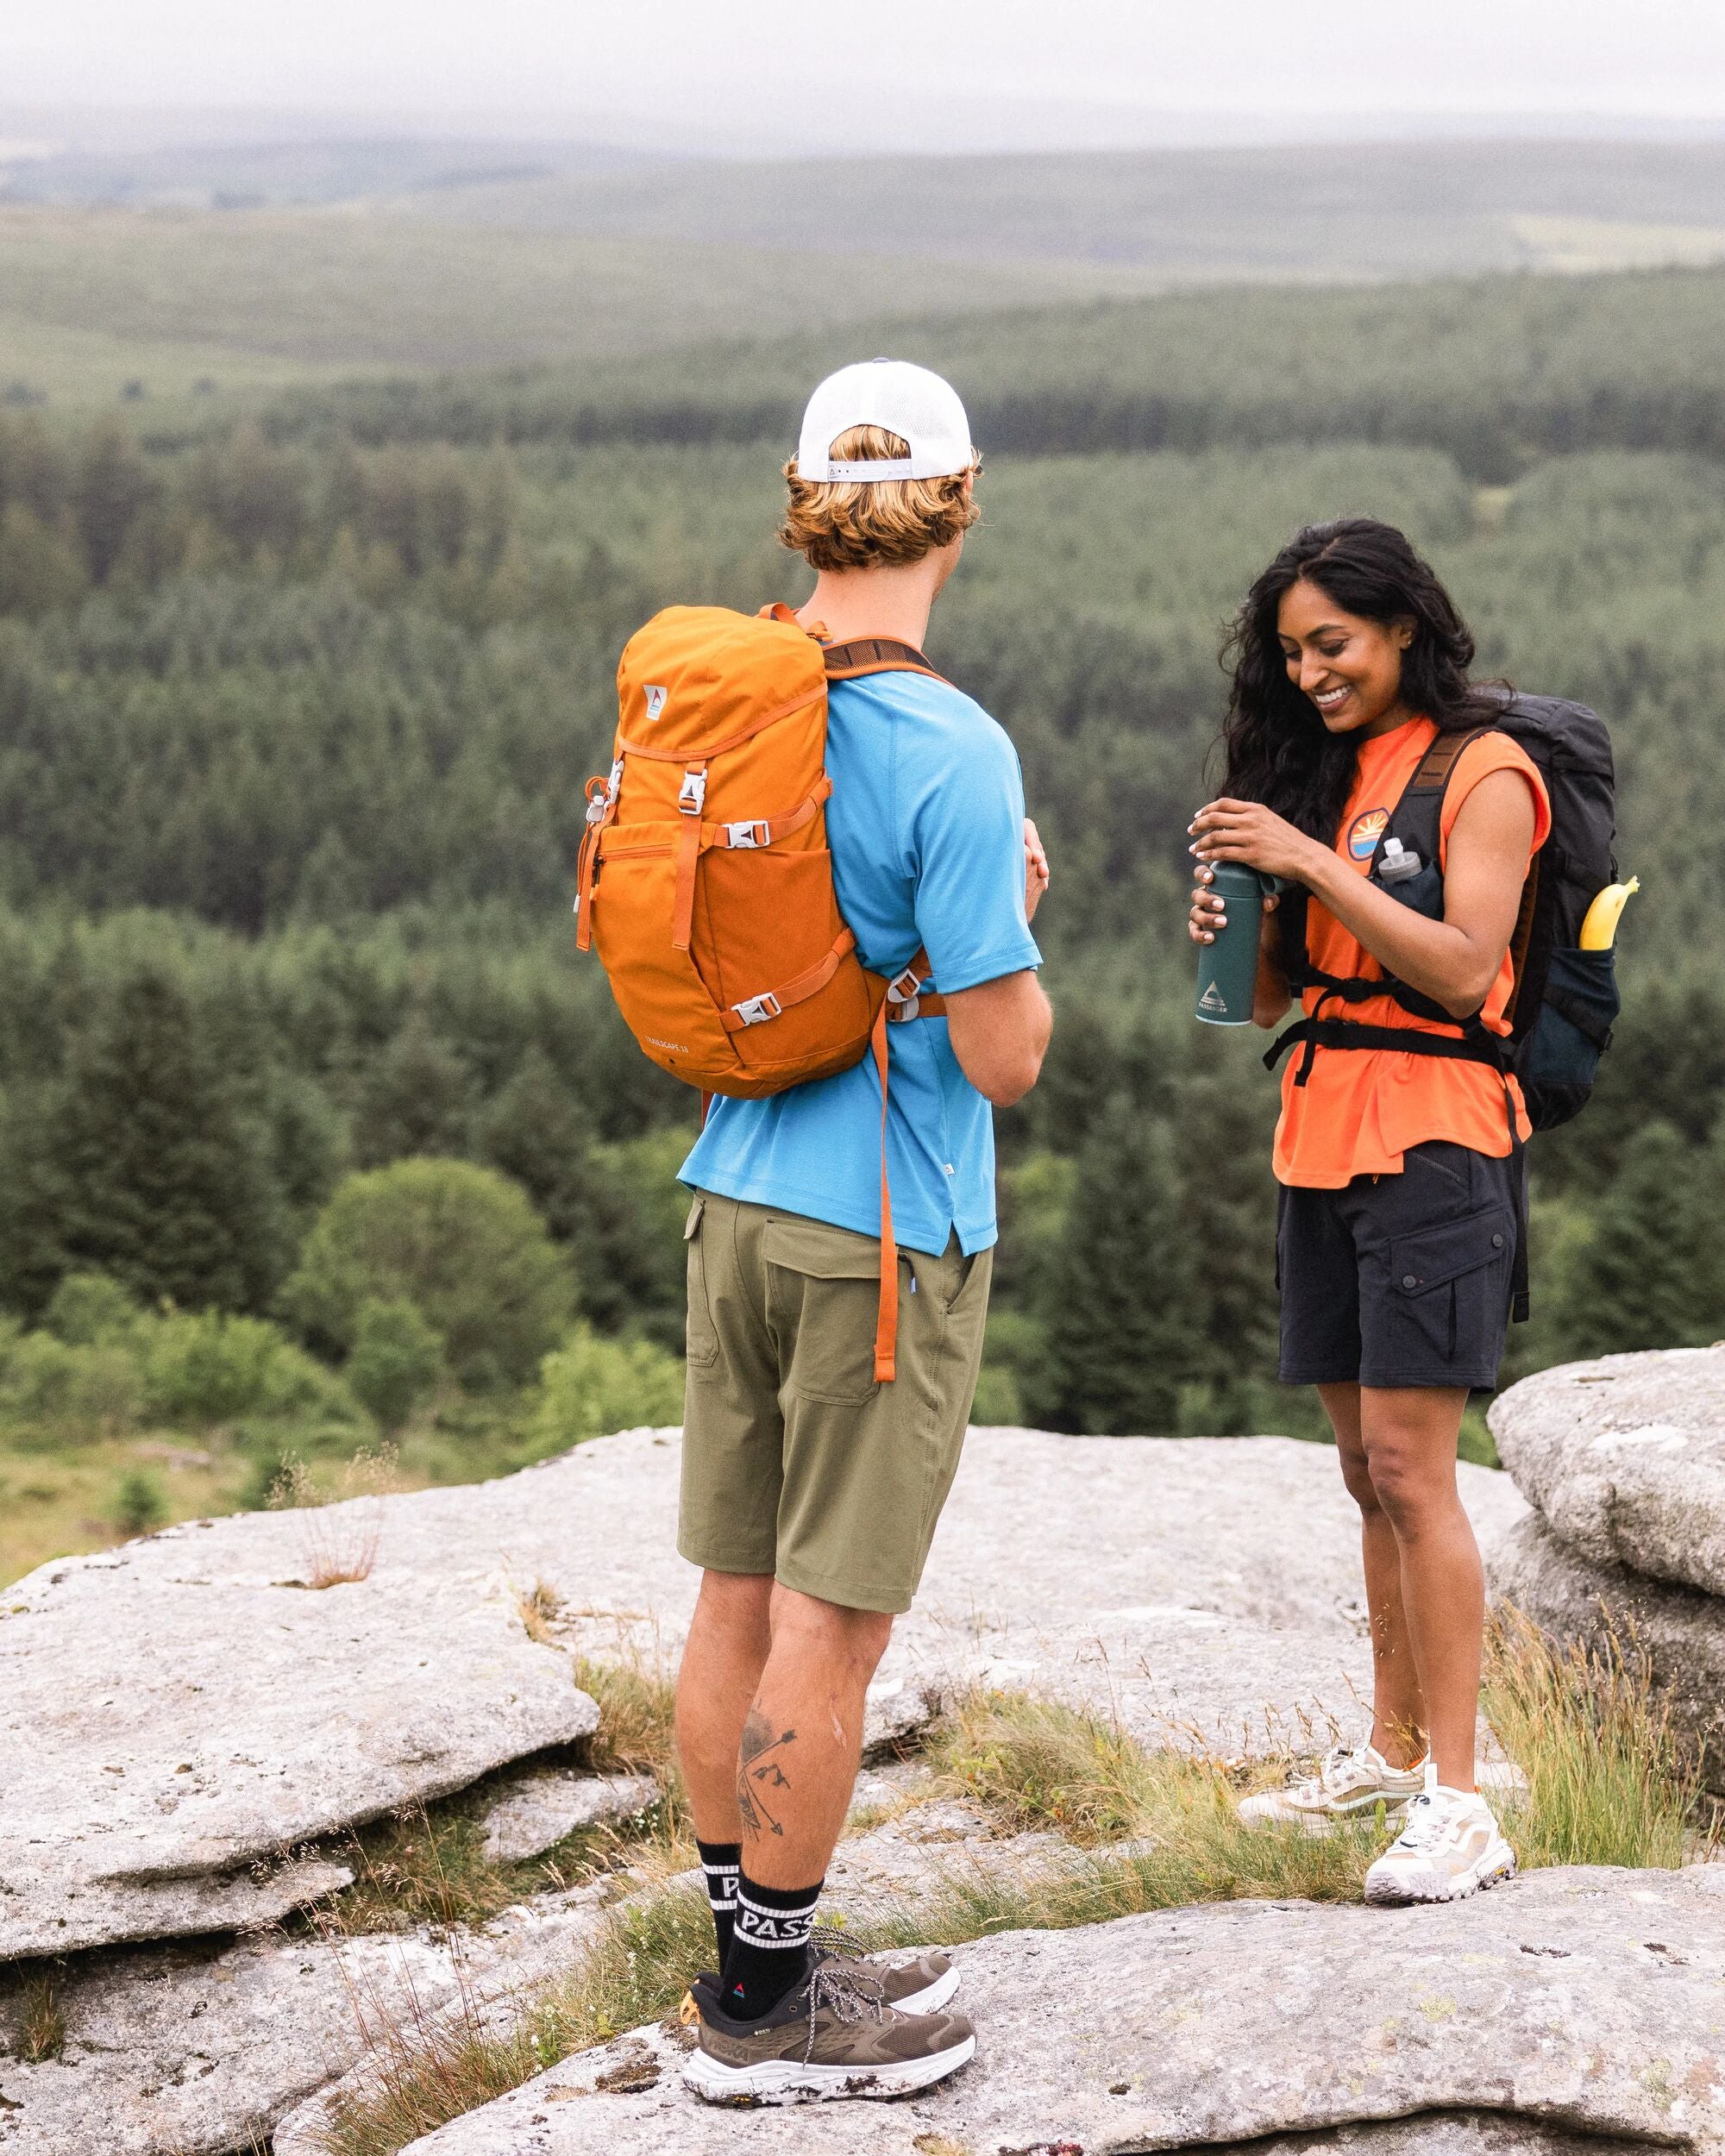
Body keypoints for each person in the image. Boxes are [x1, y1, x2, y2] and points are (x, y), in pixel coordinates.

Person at [674, 358, 1051, 2101]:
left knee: (733, 1592)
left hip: (734, 1191)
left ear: (799, 501)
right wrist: (1016, 915)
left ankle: (749, 1947)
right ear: (957, 510)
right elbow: (1004, 1053)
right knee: (833, 1621)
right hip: (882, 1234)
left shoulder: (739, 699)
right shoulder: (948, 747)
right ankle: (766, 2016)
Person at [1188, 517, 1547, 1905]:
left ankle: (1463, 1799)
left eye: (1330, 643)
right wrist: (1248, 920)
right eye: (1289, 651)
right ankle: (1395, 1753)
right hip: (1323, 1138)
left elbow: (1464, 971)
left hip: (1438, 1145)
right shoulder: (1331, 773)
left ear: (1404, 628)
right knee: (1361, 1473)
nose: (1310, 671)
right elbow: (1281, 996)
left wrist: (1314, 861)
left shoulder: (1487, 771)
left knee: (1414, 1472)